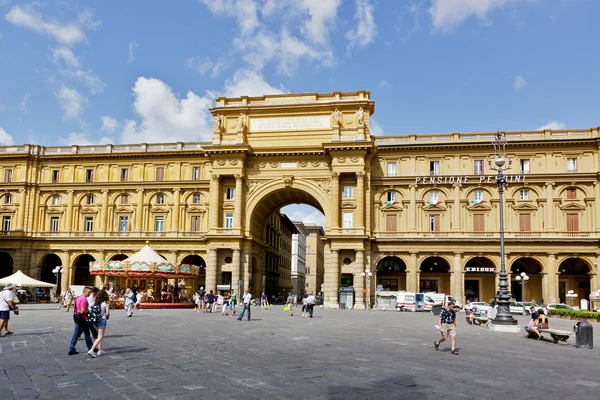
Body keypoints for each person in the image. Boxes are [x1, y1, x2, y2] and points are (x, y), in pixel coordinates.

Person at [68, 287, 94, 355]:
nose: (90, 294)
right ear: (85, 292)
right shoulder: (84, 299)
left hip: (77, 316)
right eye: (89, 292)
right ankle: (91, 347)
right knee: (86, 333)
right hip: (83, 318)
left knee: (76, 333)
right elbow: (83, 311)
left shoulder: (78, 298)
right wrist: (89, 312)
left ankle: (72, 348)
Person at [88, 290, 110, 358]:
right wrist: (107, 316)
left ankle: (100, 350)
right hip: (102, 319)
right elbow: (107, 313)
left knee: (98, 336)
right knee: (100, 336)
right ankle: (91, 350)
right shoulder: (106, 303)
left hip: (95, 320)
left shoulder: (96, 302)